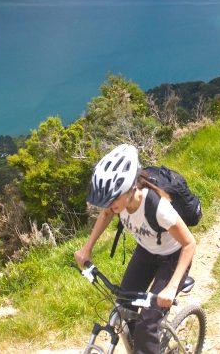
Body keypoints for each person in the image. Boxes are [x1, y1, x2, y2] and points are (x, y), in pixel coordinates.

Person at [75, 144, 196, 354]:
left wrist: (171, 286)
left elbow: (189, 244)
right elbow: (106, 214)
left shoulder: (158, 208)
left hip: (172, 258)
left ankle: (147, 342)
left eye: (113, 200)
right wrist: (87, 248)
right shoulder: (118, 203)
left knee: (147, 325)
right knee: (123, 308)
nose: (110, 206)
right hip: (146, 252)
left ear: (131, 188)